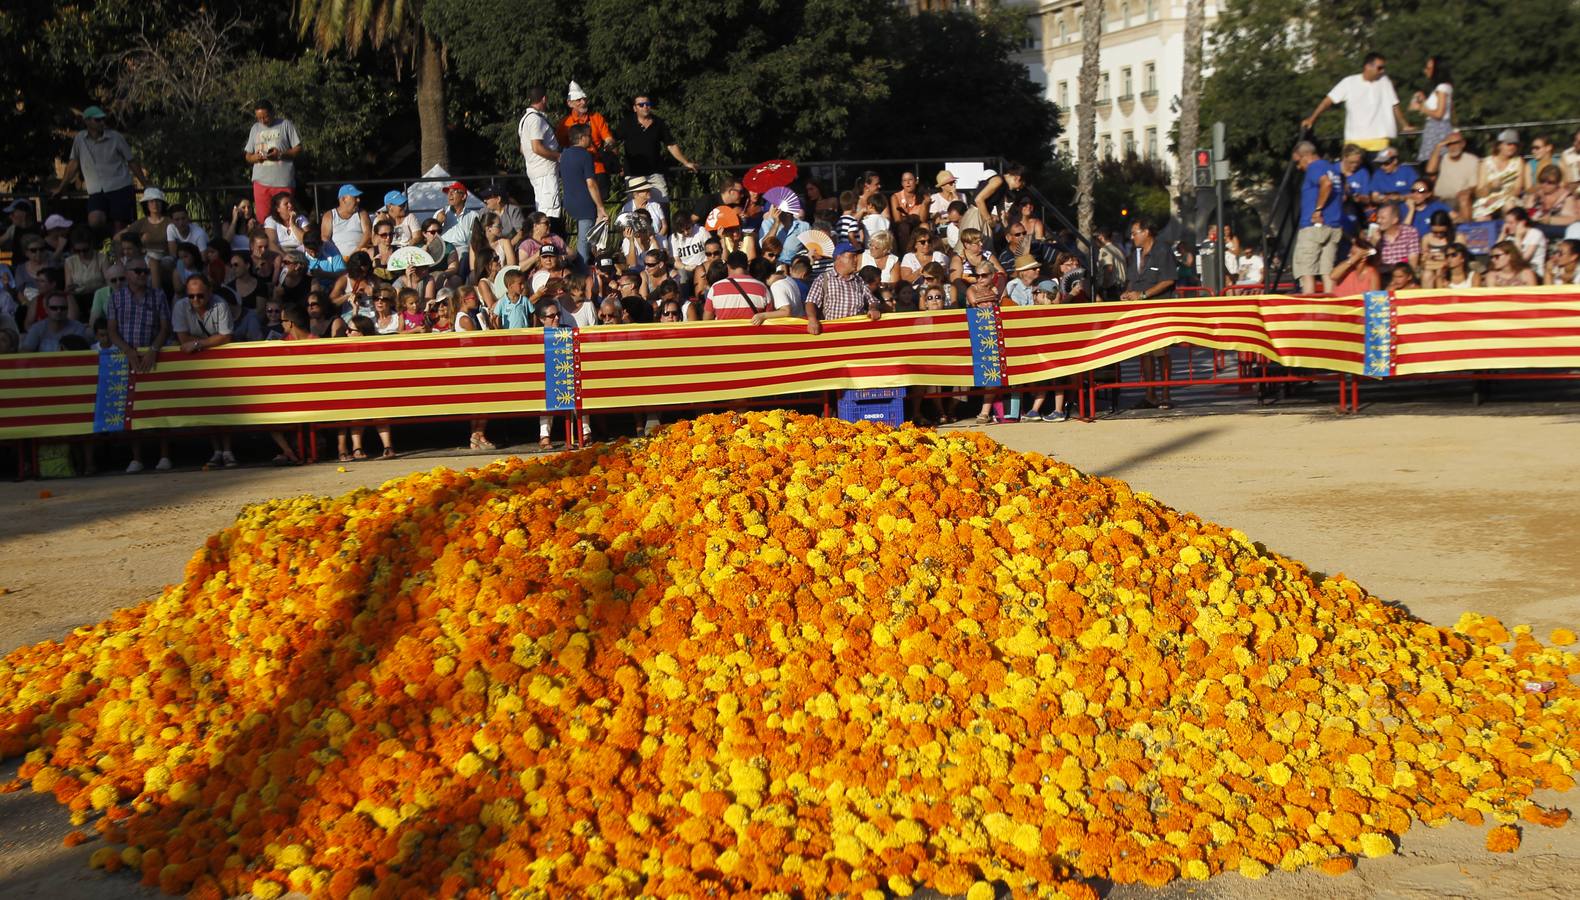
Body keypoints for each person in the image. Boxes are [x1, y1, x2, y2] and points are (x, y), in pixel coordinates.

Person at [52, 106, 148, 234]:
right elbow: (73, 163)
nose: (102, 122)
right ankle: (108, 239)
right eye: (97, 120)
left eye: (103, 119)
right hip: (96, 189)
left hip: (119, 186)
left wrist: (146, 184)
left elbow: (131, 161)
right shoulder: (80, 139)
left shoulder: (115, 137)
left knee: (120, 225)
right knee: (94, 221)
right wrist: (61, 187)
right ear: (87, 121)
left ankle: (117, 242)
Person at [1301, 52, 1409, 151]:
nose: (1382, 71)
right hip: (1355, 141)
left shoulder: (1385, 81)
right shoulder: (1349, 82)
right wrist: (1312, 119)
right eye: (1380, 68)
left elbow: (1394, 105)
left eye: (1384, 68)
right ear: (1368, 66)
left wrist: (1405, 126)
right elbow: (1328, 101)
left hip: (1380, 140)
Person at [1121, 218, 1177, 409]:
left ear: (1146, 232)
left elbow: (1168, 279)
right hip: (1140, 311)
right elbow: (1132, 280)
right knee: (1145, 353)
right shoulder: (1135, 253)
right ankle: (1150, 394)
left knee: (1162, 353)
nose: (1132, 237)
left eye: (1134, 233)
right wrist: (1127, 293)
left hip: (1159, 309)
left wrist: (1144, 294)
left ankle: (1165, 395)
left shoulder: (1162, 250)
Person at [611, 94, 699, 201]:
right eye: (641, 105)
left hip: (655, 172)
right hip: (634, 173)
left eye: (647, 104)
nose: (645, 107)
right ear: (635, 108)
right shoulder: (627, 123)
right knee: (636, 206)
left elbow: (671, 144)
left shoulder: (659, 123)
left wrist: (686, 162)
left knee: (662, 203)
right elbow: (612, 142)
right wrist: (616, 164)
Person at [804, 242, 881, 336]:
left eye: (856, 256)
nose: (856, 259)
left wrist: (873, 309)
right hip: (832, 333)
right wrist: (812, 319)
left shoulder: (859, 280)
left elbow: (873, 301)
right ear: (839, 257)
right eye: (852, 256)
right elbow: (811, 302)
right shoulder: (824, 279)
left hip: (856, 333)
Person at [243, 100, 302, 218]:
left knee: (286, 218)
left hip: (283, 183)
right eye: (259, 118)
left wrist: (280, 155)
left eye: (265, 117)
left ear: (272, 113)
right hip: (261, 183)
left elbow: (298, 148)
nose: (262, 121)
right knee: (263, 219)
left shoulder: (285, 124)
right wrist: (256, 157)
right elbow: (248, 156)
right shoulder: (255, 128)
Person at [555, 80, 615, 192]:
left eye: (584, 99)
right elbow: (559, 148)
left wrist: (609, 144)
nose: (583, 102)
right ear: (570, 103)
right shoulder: (564, 124)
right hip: (576, 171)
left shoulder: (596, 118)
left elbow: (608, 138)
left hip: (597, 169)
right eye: (579, 100)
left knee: (601, 200)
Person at [517, 86, 563, 226]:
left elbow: (522, 149)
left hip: (536, 171)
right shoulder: (535, 120)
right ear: (544, 99)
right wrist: (558, 156)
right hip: (545, 173)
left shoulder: (525, 120)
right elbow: (536, 147)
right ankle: (548, 237)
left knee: (542, 207)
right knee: (549, 211)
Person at [1471, 130, 1529, 221]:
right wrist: (1490, 186)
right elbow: (1479, 192)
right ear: (1499, 145)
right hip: (1488, 199)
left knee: (1509, 207)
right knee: (1481, 217)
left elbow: (1517, 189)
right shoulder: (1486, 163)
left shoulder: (1518, 162)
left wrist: (1499, 198)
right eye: (1509, 144)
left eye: (1515, 144)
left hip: (1509, 198)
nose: (1512, 147)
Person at [1425, 130, 1480, 222]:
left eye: (1455, 143)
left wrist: (1466, 192)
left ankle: (1466, 227)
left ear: (1462, 144)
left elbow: (1474, 186)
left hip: (1460, 199)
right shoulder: (1441, 159)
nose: (1452, 147)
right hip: (1440, 198)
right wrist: (1438, 147)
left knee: (1464, 199)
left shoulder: (1472, 160)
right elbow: (1430, 170)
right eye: (1449, 144)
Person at [1407, 56, 1454, 163]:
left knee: (1432, 162)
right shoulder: (1443, 87)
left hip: (1437, 129)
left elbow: (1439, 114)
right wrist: (1424, 101)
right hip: (1436, 127)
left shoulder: (1442, 88)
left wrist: (1420, 108)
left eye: (1429, 68)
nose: (1425, 71)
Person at [702, 251, 770, 320]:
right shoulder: (762, 288)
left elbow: (707, 319)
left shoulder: (715, 288)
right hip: (754, 327)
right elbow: (770, 318)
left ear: (728, 266)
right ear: (747, 266)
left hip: (725, 327)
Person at [20, 293, 90, 352]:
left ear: (67, 309)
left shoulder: (78, 328)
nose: (58, 311)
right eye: (54, 308)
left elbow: (80, 355)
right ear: (46, 310)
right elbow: (26, 353)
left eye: (63, 308)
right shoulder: (37, 328)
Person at [322, 184, 371, 257]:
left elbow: (368, 234)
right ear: (344, 199)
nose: (358, 200)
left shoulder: (362, 214)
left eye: (358, 197)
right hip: (337, 258)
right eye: (355, 197)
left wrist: (356, 252)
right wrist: (336, 256)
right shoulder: (329, 215)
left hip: (358, 256)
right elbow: (325, 238)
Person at [1375, 203, 1419, 272]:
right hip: (1382, 273)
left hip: (1403, 273)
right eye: (1378, 218)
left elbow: (1412, 262)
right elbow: (1369, 262)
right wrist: (1373, 242)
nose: (1378, 221)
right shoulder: (1374, 234)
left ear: (1394, 220)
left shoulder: (1409, 232)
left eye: (1382, 218)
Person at [1500, 207, 1547, 273]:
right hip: (1514, 272)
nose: (1507, 226)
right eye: (1506, 223)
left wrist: (1518, 237)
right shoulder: (1510, 236)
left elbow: (1521, 260)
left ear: (1522, 223)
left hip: (1533, 272)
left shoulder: (1535, 234)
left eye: (1511, 223)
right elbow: (1495, 254)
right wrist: (1502, 234)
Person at [1417, 211, 1455, 288]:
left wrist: (1445, 257)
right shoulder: (1426, 238)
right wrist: (1427, 256)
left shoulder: (1457, 238)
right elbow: (1423, 261)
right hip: (1431, 267)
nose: (1438, 235)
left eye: (1442, 232)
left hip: (1449, 267)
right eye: (1435, 232)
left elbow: (1460, 256)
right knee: (1427, 274)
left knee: (1439, 272)